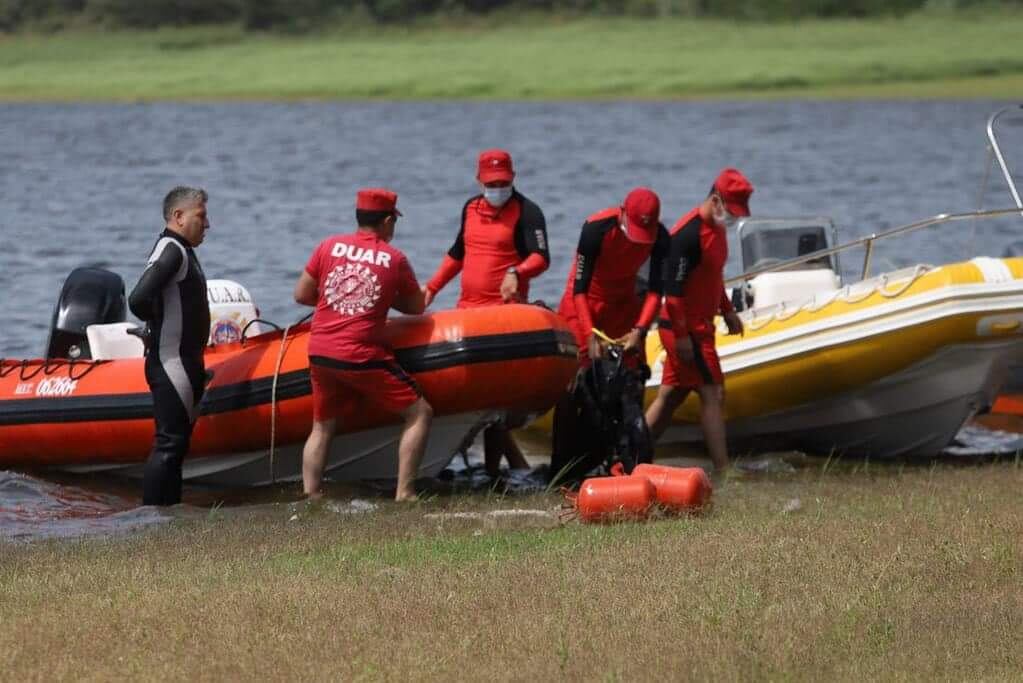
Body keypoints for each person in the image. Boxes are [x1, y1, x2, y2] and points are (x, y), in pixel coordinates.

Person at [294, 188, 431, 501]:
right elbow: (416, 307)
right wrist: (383, 298)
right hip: (361, 355)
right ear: (386, 222)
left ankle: (310, 495)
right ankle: (405, 493)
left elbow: (301, 294)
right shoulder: (394, 259)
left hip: (321, 351)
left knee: (322, 426)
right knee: (420, 413)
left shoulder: (328, 245)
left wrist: (338, 300)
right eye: (393, 222)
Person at [423, 149, 549, 478]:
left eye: (504, 182)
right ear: (479, 180)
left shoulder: (528, 212)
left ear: (513, 179)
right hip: (469, 314)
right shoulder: (470, 208)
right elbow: (458, 253)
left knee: (496, 404)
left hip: (504, 318)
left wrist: (517, 272)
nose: (498, 188)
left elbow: (541, 258)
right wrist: (432, 288)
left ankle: (494, 474)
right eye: (492, 183)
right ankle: (469, 462)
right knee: (473, 402)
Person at [549, 187, 670, 481]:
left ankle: (625, 463)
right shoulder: (596, 229)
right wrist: (590, 333)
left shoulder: (661, 237)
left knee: (629, 380)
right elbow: (579, 288)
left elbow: (656, 291)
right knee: (576, 383)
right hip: (585, 304)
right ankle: (563, 469)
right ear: (622, 213)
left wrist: (640, 331)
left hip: (624, 306)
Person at [644, 168, 754, 473]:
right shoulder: (686, 236)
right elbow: (674, 294)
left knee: (671, 396)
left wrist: (727, 310)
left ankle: (633, 452)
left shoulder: (717, 230)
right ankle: (723, 469)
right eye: (731, 211)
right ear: (715, 200)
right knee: (713, 393)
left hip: (702, 327)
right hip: (684, 329)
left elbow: (713, 276)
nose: (733, 219)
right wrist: (680, 337)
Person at [128, 186, 211, 506]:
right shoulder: (172, 249)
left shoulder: (181, 249)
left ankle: (169, 516)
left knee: (177, 446)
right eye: (201, 216)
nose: (207, 224)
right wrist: (156, 327)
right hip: (170, 362)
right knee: (169, 444)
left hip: (185, 361)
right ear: (178, 216)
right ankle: (152, 518)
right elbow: (138, 298)